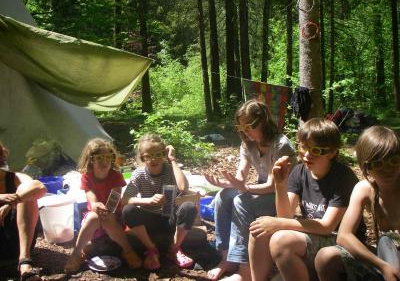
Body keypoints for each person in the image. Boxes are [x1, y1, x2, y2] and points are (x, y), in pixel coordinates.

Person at [248, 118, 360, 281]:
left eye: (317, 150)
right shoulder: (299, 171)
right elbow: (286, 216)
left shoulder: (343, 177)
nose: (307, 155)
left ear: (333, 152)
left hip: (339, 243)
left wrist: (278, 223)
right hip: (314, 236)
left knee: (281, 241)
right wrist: (280, 185)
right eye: (303, 147)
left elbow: (327, 227)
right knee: (258, 231)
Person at [205, 99, 296, 281]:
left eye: (249, 126)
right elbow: (241, 176)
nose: (246, 132)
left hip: (281, 196)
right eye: (241, 128)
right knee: (224, 196)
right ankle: (226, 259)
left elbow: (273, 185)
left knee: (242, 200)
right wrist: (227, 183)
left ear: (263, 120)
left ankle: (244, 270)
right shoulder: (248, 143)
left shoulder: (281, 145)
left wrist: (244, 188)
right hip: (261, 190)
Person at [315, 126, 400, 281]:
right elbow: (344, 236)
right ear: (366, 168)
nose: (388, 169)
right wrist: (382, 266)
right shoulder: (365, 189)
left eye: (394, 161)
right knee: (326, 257)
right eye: (378, 164)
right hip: (386, 259)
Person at [64, 138, 142, 273]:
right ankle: (77, 254)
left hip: (113, 219)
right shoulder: (87, 177)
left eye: (108, 157)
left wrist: (105, 211)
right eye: (99, 158)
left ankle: (127, 250)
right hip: (94, 219)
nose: (104, 161)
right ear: (91, 159)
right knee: (93, 217)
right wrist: (95, 204)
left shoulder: (116, 176)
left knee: (108, 216)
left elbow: (115, 199)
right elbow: (90, 195)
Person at [122, 134, 197, 270]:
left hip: (170, 218)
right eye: (148, 156)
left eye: (158, 154)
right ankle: (152, 250)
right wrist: (147, 201)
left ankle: (173, 249)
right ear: (142, 158)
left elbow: (183, 188)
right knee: (128, 210)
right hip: (150, 221)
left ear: (164, 154)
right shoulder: (139, 174)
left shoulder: (170, 169)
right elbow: (125, 199)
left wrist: (173, 160)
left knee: (189, 207)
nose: (154, 159)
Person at [0, 142, 47, 280]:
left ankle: (24, 262)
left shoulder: (13, 177)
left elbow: (39, 187)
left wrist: (12, 202)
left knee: (26, 193)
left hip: (15, 240)